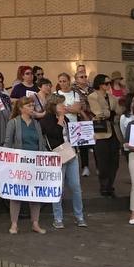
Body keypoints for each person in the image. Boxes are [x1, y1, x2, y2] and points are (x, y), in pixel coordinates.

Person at [2, 97, 46, 234]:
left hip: (34, 163)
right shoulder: (13, 123)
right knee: (16, 193)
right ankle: (14, 224)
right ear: (21, 108)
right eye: (29, 105)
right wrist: (1, 160)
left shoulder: (36, 124)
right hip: (19, 164)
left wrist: (45, 160)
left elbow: (42, 144)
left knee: (35, 194)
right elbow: (8, 143)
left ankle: (35, 223)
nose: (32, 108)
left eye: (33, 105)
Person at [40, 96, 85, 228]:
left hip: (70, 153)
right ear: (53, 106)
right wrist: (60, 119)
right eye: (61, 104)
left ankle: (79, 215)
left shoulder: (66, 119)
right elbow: (55, 134)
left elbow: (73, 134)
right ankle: (58, 217)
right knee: (58, 187)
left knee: (76, 186)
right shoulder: (47, 119)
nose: (64, 106)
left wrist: (85, 137)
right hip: (57, 155)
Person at [87, 75, 121, 198]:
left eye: (109, 83)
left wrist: (111, 114)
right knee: (103, 161)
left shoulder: (112, 97)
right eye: (106, 83)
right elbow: (99, 113)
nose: (108, 85)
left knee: (114, 161)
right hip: (101, 132)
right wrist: (110, 113)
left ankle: (110, 185)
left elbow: (118, 112)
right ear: (100, 84)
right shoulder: (93, 96)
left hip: (114, 131)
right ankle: (104, 186)